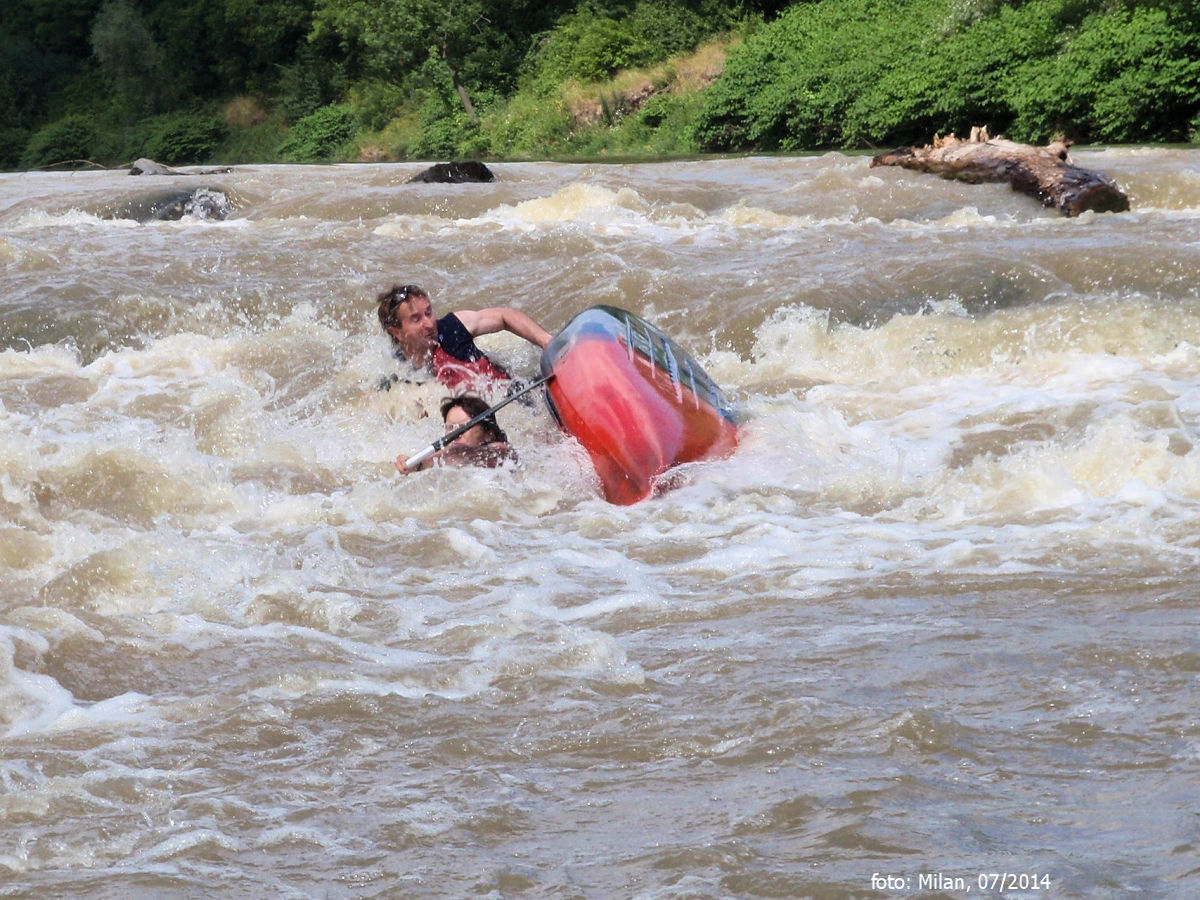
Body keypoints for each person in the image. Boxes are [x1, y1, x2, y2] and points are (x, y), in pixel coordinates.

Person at [377, 283, 551, 392]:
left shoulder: (453, 327)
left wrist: (545, 340)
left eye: (429, 313)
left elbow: (504, 316)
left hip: (517, 393)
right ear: (397, 332)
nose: (429, 323)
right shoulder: (398, 374)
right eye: (416, 319)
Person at [396, 394, 518, 475]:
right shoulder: (447, 455)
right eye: (450, 428)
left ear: (488, 434)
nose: (455, 435)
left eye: (462, 429)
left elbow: (499, 451)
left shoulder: (500, 451)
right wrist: (414, 466)